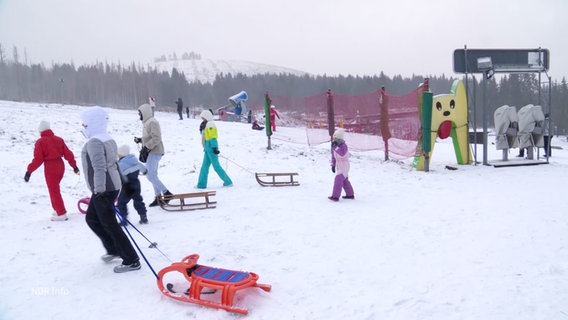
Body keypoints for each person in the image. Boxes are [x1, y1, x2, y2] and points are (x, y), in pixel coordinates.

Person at [80, 106, 140, 273]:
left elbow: (99, 168)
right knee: (92, 219)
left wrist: (99, 190)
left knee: (110, 224)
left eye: (85, 124)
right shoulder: (107, 138)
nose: (84, 127)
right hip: (109, 187)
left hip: (104, 189)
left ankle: (131, 259)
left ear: (93, 123)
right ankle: (114, 249)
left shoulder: (94, 142)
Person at [25, 120, 80, 221]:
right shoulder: (59, 139)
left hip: (51, 167)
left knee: (54, 190)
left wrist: (29, 171)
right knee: (55, 188)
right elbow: (68, 154)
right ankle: (57, 209)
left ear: (40, 130)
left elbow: (38, 159)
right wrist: (74, 167)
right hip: (60, 165)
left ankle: (61, 213)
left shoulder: (40, 142)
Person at [134, 103, 172, 206]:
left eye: (140, 113)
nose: (139, 116)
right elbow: (149, 137)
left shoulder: (152, 122)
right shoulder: (147, 123)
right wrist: (140, 140)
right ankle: (158, 197)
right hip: (151, 151)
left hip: (155, 151)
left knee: (150, 175)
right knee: (152, 175)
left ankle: (166, 193)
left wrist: (146, 147)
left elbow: (156, 138)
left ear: (145, 112)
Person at [197, 110, 233, 189]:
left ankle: (228, 182)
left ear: (207, 116)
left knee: (216, 167)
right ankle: (201, 185)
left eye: (203, 117)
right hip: (207, 149)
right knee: (204, 167)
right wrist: (201, 130)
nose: (202, 119)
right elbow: (205, 136)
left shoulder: (210, 124)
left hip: (211, 149)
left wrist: (214, 147)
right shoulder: (205, 124)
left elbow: (213, 137)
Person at [116, 144, 148, 225]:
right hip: (136, 185)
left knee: (121, 202)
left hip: (127, 187)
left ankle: (124, 219)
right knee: (138, 200)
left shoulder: (120, 164)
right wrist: (144, 171)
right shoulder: (134, 160)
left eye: (118, 154)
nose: (117, 155)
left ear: (122, 154)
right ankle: (143, 217)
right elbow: (144, 170)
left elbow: (117, 175)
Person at [328, 128, 354, 201]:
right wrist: (333, 165)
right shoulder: (334, 146)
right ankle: (350, 194)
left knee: (338, 180)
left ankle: (335, 196)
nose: (334, 139)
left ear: (339, 139)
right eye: (334, 138)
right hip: (339, 166)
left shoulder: (343, 146)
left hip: (344, 165)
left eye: (336, 138)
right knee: (345, 181)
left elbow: (342, 154)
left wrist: (335, 147)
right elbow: (333, 156)